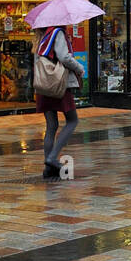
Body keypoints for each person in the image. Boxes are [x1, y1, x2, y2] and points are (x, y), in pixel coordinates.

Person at [36, 25, 86, 179]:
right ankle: (52, 158)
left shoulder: (42, 36)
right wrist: (79, 67)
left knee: (51, 125)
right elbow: (64, 57)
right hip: (59, 85)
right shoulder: (58, 33)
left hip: (45, 84)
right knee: (72, 120)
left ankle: (48, 168)